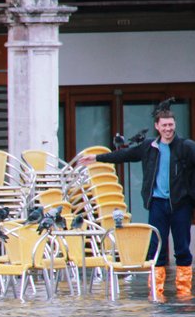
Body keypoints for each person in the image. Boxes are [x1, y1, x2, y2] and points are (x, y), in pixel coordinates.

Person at [79, 108, 195, 296]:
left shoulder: (186, 147)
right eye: (164, 125)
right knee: (156, 247)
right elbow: (125, 155)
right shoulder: (150, 146)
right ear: (157, 126)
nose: (168, 129)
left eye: (171, 125)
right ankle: (156, 290)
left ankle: (184, 291)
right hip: (157, 203)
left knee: (182, 247)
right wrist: (97, 158)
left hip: (180, 204)